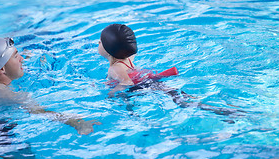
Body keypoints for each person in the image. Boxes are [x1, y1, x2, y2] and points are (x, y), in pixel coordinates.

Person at [98, 24, 244, 119]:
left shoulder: (114, 68)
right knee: (183, 99)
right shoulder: (130, 57)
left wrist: (111, 93)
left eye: (101, 42)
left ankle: (221, 112)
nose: (98, 43)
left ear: (110, 50)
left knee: (181, 103)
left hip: (143, 86)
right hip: (151, 81)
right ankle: (223, 110)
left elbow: (127, 82)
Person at [0, 37, 100, 135]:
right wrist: (77, 123)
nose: (21, 59)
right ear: (2, 69)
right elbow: (41, 112)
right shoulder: (7, 94)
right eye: (16, 56)